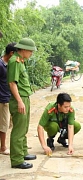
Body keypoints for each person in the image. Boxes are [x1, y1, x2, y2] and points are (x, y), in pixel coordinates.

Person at [7, 38, 37, 169]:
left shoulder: (21, 61)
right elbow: (12, 83)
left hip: (25, 97)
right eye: (30, 51)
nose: (31, 53)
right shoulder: (14, 61)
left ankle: (23, 152)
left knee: (24, 128)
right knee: (18, 130)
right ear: (23, 49)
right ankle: (17, 160)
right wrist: (19, 101)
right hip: (19, 99)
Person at [0, 43, 17, 155]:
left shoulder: (9, 64)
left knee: (7, 123)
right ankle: (3, 147)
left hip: (7, 97)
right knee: (4, 124)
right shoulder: (1, 66)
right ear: (11, 53)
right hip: (2, 99)